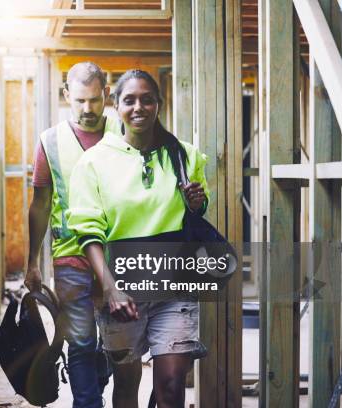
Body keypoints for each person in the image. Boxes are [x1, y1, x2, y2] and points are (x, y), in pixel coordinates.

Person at [67, 69, 208, 408]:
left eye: (147, 99)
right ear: (116, 106)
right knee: (127, 386)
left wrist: (197, 203)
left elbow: (198, 211)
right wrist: (110, 287)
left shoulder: (185, 155)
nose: (139, 107)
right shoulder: (93, 163)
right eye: (129, 100)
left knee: (172, 386)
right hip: (123, 289)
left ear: (159, 105)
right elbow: (88, 233)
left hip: (175, 286)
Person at [24, 61, 119, 408]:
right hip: (71, 254)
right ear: (67, 95)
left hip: (118, 255)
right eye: (79, 101)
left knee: (116, 344)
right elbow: (41, 204)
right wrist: (31, 261)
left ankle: (98, 375)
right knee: (80, 341)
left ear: (106, 95)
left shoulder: (124, 135)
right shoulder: (50, 142)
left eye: (94, 100)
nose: (88, 108)